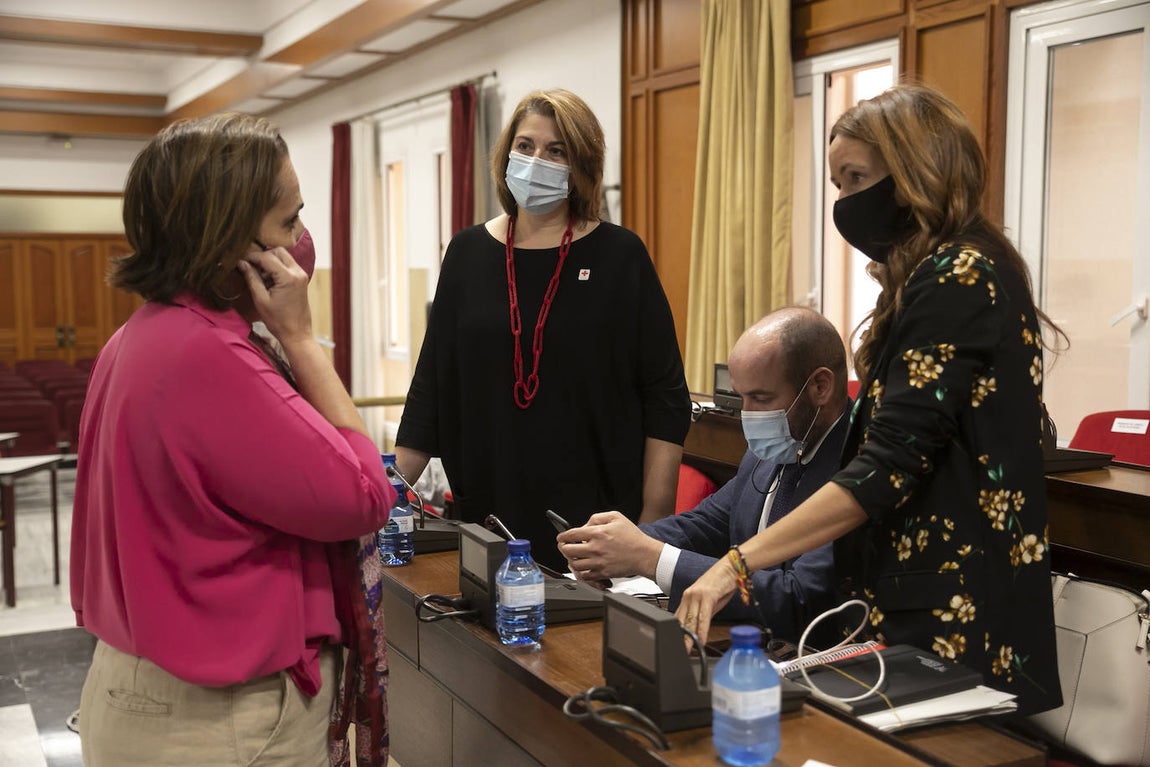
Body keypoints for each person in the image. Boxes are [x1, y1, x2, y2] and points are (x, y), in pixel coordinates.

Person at [676, 83, 1063, 716]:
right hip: (922, 598)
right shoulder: (943, 274)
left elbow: (886, 467)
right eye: (837, 185)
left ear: (916, 172)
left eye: (856, 178)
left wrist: (735, 565)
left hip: (956, 610)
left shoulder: (957, 275)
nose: (846, 204)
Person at [70, 113, 397, 766]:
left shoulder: (143, 334)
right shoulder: (207, 355)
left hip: (147, 691)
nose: (302, 240)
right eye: (288, 221)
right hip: (215, 720)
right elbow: (363, 493)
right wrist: (303, 339)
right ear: (227, 240)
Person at [395, 89, 691, 572]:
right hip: (489, 512)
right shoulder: (467, 253)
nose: (538, 161)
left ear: (582, 166)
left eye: (557, 151)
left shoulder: (621, 256)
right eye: (526, 146)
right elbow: (432, 383)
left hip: (596, 522)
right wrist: (388, 498)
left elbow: (665, 397)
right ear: (506, 153)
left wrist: (651, 527)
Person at [558, 307, 851, 643]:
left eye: (761, 399)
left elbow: (797, 598)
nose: (748, 417)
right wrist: (614, 545)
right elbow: (707, 524)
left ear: (820, 387)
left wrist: (649, 557)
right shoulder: (774, 447)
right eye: (742, 398)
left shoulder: (859, 469)